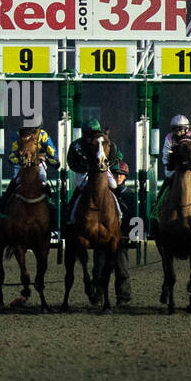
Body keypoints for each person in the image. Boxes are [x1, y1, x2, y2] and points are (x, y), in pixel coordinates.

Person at [64, 119, 122, 225]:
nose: (92, 137)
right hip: (84, 172)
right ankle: (71, 214)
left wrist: (109, 164)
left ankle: (119, 212)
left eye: (95, 133)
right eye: (89, 134)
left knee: (113, 185)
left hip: (103, 169)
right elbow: (71, 161)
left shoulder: (106, 142)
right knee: (82, 188)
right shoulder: (76, 145)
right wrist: (83, 166)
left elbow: (118, 155)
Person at [92, 161, 134, 306]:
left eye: (121, 174)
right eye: (115, 174)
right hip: (103, 238)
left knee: (122, 270)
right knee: (99, 269)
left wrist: (132, 235)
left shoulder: (129, 195)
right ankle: (98, 296)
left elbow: (135, 217)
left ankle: (123, 297)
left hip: (121, 239)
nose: (118, 176)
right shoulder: (101, 195)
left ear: (125, 177)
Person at [0, 124, 61, 211]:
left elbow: (54, 158)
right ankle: (4, 203)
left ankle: (50, 201)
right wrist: (19, 160)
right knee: (16, 179)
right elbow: (11, 156)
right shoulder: (18, 135)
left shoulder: (43, 135)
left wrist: (45, 158)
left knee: (43, 178)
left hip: (38, 163)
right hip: (21, 164)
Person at [158, 114, 191, 205]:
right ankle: (158, 202)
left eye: (180, 129)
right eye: (175, 129)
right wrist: (173, 164)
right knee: (168, 179)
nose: (177, 132)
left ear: (187, 129)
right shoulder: (169, 138)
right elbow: (165, 156)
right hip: (175, 169)